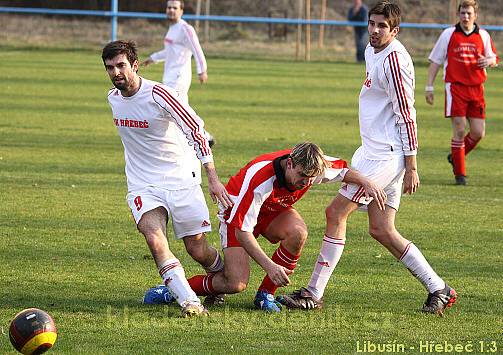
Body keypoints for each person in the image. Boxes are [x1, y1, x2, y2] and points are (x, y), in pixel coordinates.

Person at [279, 1, 457, 316]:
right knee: (381, 230)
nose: (374, 30)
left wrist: (411, 165)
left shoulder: (396, 61)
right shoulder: (371, 51)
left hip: (387, 157)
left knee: (335, 213)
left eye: (382, 26)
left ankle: (313, 293)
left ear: (395, 30)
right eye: (372, 23)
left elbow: (407, 113)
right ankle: (438, 288)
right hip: (373, 151)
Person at [145, 142, 387, 312]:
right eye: (302, 176)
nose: (306, 183)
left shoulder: (313, 167)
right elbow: (243, 230)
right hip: (236, 217)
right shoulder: (260, 179)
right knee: (235, 283)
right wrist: (270, 266)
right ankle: (175, 290)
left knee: (298, 233)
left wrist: (367, 182)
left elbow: (344, 171)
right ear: (290, 164)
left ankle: (265, 295)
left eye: (311, 179)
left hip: (271, 212)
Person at [101, 40, 232, 317]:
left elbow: (196, 129)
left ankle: (220, 281)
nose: (116, 72)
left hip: (181, 180)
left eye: (121, 65)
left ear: (135, 66)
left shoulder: (160, 95)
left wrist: (213, 176)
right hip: (143, 184)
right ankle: (189, 302)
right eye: (110, 67)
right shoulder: (112, 98)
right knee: (154, 237)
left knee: (197, 249)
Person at [425, 0, 499, 186]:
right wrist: (429, 86)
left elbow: (493, 57)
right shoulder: (448, 34)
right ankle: (460, 175)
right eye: (462, 13)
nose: (465, 16)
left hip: (476, 89)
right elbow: (435, 61)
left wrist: (489, 62)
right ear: (458, 15)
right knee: (459, 129)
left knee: (478, 132)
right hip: (455, 87)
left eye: (469, 13)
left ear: (475, 15)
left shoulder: (483, 35)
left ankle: (456, 157)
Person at [141, 0, 215, 146]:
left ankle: (200, 136)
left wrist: (202, 70)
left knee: (172, 108)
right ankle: (203, 136)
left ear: (181, 11)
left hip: (179, 76)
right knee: (179, 109)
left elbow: (197, 49)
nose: (171, 10)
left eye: (175, 8)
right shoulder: (172, 28)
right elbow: (169, 51)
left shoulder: (185, 28)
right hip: (169, 75)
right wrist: (153, 58)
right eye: (169, 7)